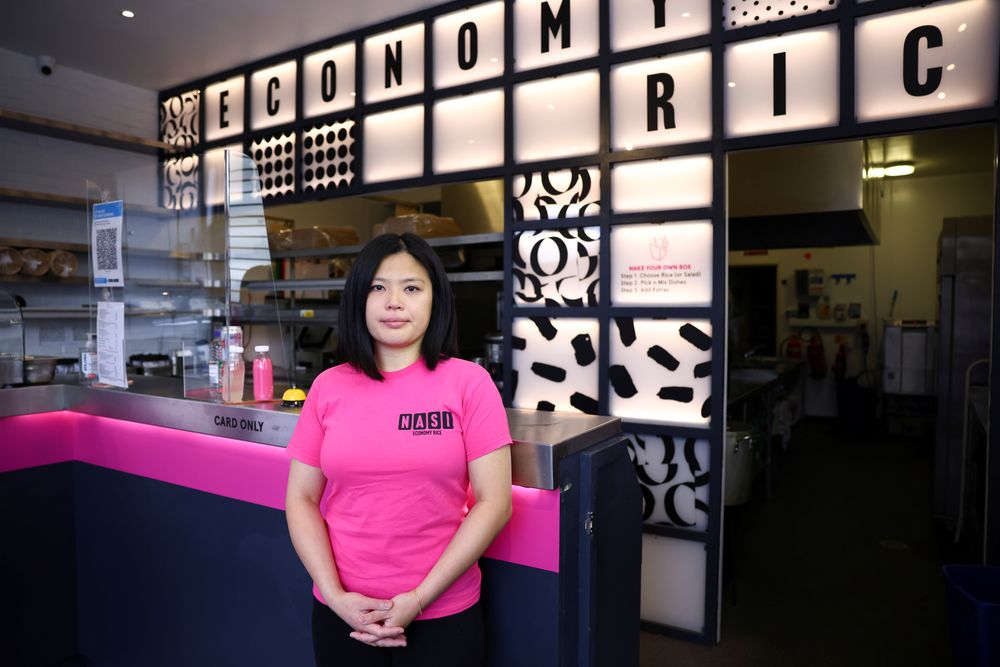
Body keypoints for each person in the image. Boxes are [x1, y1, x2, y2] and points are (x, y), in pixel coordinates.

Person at [285, 232, 512, 667]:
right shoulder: (327, 387)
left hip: (444, 613)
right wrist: (335, 596)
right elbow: (301, 497)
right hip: (343, 613)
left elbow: (494, 503)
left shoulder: (469, 384)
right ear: (359, 300)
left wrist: (419, 599)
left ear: (434, 300)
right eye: (378, 287)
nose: (394, 302)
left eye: (411, 288)